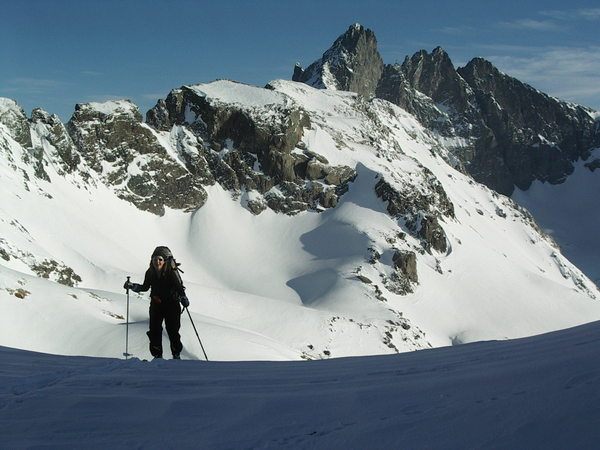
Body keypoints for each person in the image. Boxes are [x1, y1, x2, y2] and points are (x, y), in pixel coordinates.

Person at [124, 246, 189, 359]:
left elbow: (179, 287)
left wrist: (183, 297)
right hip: (156, 305)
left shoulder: (171, 272)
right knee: (154, 330)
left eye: (160, 259)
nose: (157, 262)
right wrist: (133, 286)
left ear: (164, 261)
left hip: (172, 305)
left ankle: (175, 354)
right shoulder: (150, 272)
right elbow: (145, 287)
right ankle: (158, 356)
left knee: (172, 331)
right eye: (155, 259)